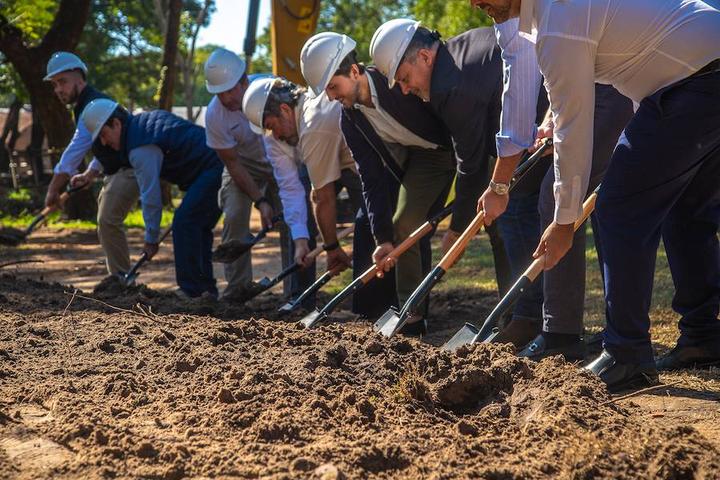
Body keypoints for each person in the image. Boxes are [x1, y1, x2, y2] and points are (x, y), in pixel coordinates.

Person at [473, 0, 720, 392]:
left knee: (618, 209)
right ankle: (703, 335)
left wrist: (563, 222)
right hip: (700, 73)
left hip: (695, 84)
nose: (475, 2)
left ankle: (626, 355)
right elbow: (644, 54)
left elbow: (574, 132)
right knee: (686, 210)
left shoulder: (555, 22)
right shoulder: (553, 17)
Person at [471, 14, 634, 356]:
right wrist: (548, 123)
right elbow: (555, 79)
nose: (475, 3)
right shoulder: (523, 20)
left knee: (556, 195)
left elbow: (522, 102)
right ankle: (607, 329)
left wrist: (500, 185)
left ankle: (561, 333)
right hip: (601, 80)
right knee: (595, 202)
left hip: (618, 81)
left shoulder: (537, 18)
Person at [300, 32, 455, 334]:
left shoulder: (396, 78)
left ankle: (519, 313)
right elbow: (370, 178)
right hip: (426, 160)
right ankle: (413, 315)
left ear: (354, 72)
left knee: (499, 223)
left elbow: (446, 108)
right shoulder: (350, 119)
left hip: (461, 141)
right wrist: (382, 237)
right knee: (403, 225)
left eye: (333, 86)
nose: (332, 97)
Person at [369, 20, 513, 308]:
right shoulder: (462, 46)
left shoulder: (448, 87)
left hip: (545, 124)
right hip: (532, 129)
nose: (406, 90)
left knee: (511, 223)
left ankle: (523, 317)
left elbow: (470, 164)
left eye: (405, 78)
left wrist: (457, 230)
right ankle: (515, 315)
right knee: (506, 224)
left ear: (424, 57)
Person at [242, 76, 395, 317]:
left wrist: (332, 246)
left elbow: (323, 198)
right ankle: (300, 301)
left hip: (360, 165)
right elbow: (291, 189)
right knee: (299, 222)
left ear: (284, 110)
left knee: (368, 226)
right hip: (329, 162)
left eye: (273, 125)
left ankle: (374, 308)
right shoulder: (275, 138)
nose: (275, 135)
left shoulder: (314, 121)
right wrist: (301, 239)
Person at [203, 48, 316, 303]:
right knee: (233, 214)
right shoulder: (214, 116)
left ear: (244, 80)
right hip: (246, 166)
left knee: (294, 217)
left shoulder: (270, 89)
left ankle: (296, 292)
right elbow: (232, 164)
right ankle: (237, 290)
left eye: (230, 90)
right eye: (219, 93)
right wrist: (260, 201)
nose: (226, 98)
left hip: (285, 158)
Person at [81, 99, 224, 299]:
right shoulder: (140, 129)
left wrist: (151, 239)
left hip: (213, 167)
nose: (104, 143)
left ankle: (192, 291)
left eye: (104, 135)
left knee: (185, 222)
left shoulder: (140, 147)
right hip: (213, 165)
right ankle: (206, 290)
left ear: (116, 124)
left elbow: (151, 195)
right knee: (196, 227)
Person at [43, 51, 139, 277]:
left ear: (79, 76)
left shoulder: (91, 105)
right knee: (106, 221)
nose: (58, 89)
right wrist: (90, 173)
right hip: (118, 169)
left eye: (63, 82)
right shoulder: (89, 103)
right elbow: (103, 145)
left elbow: (74, 152)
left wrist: (53, 189)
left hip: (130, 167)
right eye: (55, 84)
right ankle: (121, 278)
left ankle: (122, 280)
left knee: (107, 220)